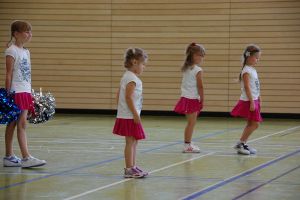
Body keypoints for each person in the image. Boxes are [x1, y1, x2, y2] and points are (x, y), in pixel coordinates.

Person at [3, 20, 46, 167]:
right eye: (26, 31)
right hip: (16, 91)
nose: (29, 34)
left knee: (16, 123)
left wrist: (30, 91)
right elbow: (8, 74)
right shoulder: (11, 50)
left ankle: (9, 157)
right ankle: (25, 157)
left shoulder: (26, 52)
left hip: (25, 91)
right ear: (16, 34)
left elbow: (26, 74)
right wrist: (8, 95)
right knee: (18, 123)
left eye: (30, 31)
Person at [113, 47, 148, 178]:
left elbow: (118, 95)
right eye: (142, 64)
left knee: (134, 141)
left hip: (127, 114)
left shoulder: (127, 76)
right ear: (134, 62)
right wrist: (134, 114)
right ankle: (128, 169)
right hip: (129, 116)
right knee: (130, 142)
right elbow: (128, 97)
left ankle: (132, 166)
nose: (143, 67)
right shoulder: (131, 79)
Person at [231, 44, 262, 155]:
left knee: (250, 123)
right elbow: (247, 87)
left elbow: (256, 86)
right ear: (249, 57)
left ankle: (243, 144)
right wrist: (252, 102)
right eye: (256, 57)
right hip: (249, 101)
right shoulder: (246, 71)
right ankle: (240, 143)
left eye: (258, 58)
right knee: (255, 124)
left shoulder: (253, 70)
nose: (257, 60)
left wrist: (259, 99)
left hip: (254, 99)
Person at [174, 42, 205, 153]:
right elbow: (200, 86)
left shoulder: (186, 68)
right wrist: (202, 99)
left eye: (202, 55)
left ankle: (188, 143)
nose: (202, 58)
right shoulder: (197, 70)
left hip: (186, 98)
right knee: (191, 123)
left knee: (191, 123)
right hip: (191, 99)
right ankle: (187, 145)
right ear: (194, 56)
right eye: (200, 55)